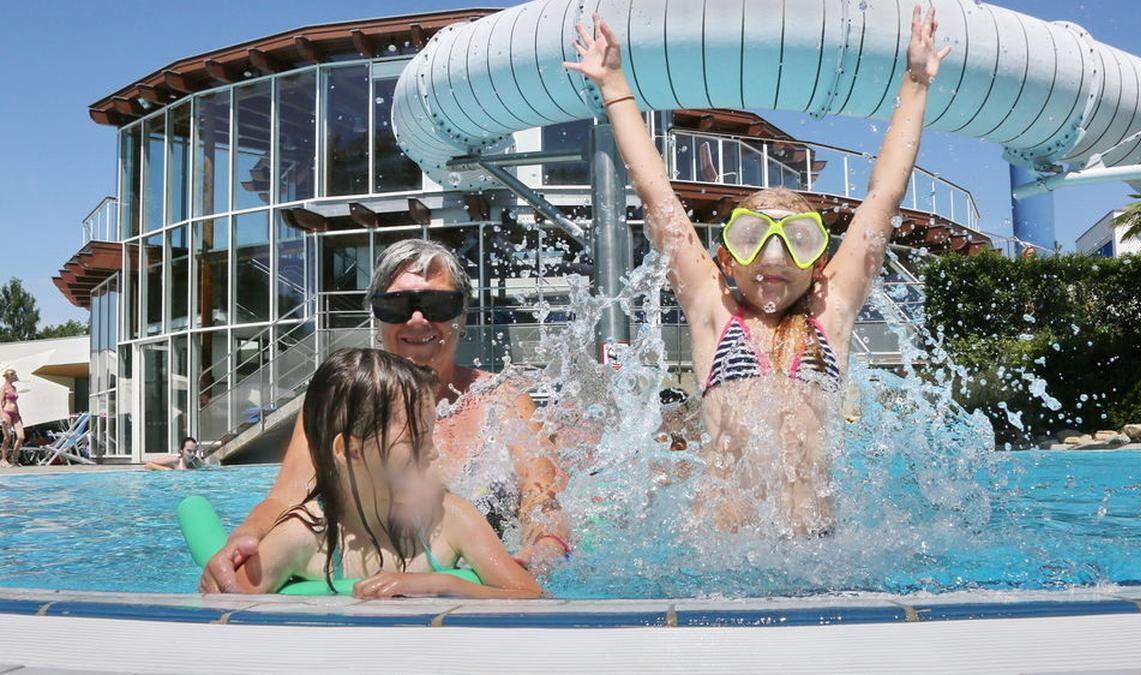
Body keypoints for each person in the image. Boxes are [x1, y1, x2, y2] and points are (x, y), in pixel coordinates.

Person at [565, 10, 951, 535]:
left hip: (815, 545)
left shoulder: (829, 312)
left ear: (819, 264)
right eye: (752, 240)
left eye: (795, 244)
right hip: (724, 549)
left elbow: (884, 197)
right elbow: (658, 194)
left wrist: (916, 82)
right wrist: (613, 86)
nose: (772, 259)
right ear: (725, 258)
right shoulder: (713, 309)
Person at [201, 240, 569, 592]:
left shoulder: (502, 398)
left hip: (481, 572)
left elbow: (542, 500)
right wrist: (245, 537)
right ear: (376, 316)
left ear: (462, 315)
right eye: (396, 305)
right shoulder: (344, 407)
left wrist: (546, 549)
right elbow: (285, 499)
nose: (418, 320)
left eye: (439, 304)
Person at [229, 348, 542, 599]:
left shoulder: (448, 517)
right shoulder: (304, 535)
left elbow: (529, 592)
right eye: (416, 439)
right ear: (351, 451)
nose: (433, 452)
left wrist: (443, 585)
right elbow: (228, 600)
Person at [1, 368, 24, 468]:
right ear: (7, 376)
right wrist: (2, 417)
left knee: (21, 437)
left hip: (16, 415)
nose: (14, 376)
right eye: (12, 374)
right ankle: (3, 459)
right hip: (6, 414)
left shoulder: (14, 388)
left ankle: (14, 459)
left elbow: (15, 403)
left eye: (15, 374)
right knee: (7, 437)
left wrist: (19, 415)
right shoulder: (3, 388)